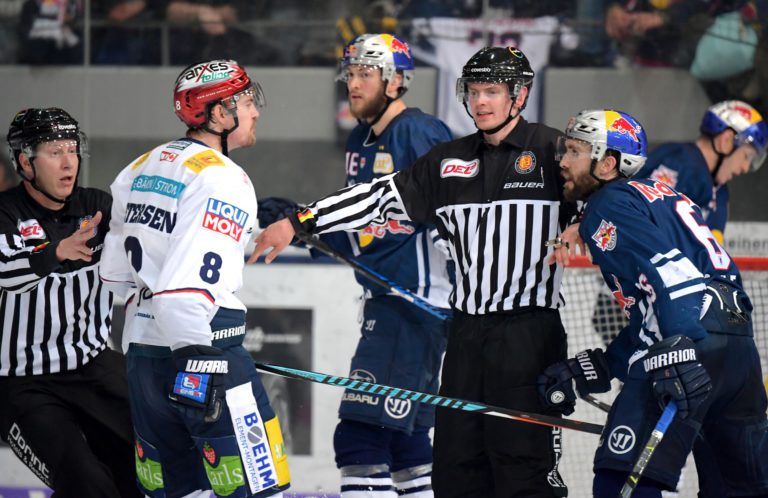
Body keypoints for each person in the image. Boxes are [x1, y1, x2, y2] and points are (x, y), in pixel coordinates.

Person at [251, 46, 575, 498]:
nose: (480, 102)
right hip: (465, 334)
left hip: (527, 334)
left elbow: (612, 188)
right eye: (473, 91)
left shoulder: (553, 149)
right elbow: (377, 197)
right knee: (457, 468)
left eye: (492, 91)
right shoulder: (449, 159)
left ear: (519, 96)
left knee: (523, 470)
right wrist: (301, 220)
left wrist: (583, 223)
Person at [262, 33, 454, 497]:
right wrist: (308, 226)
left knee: (359, 439)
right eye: (350, 73)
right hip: (390, 302)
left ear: (395, 81)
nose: (353, 83)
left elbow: (452, 213)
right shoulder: (359, 140)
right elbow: (364, 225)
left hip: (414, 305)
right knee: (405, 445)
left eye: (366, 73)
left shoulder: (418, 132)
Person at [538, 109, 768, 497]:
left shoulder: (608, 204)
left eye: (575, 151)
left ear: (607, 164)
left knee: (619, 482)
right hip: (738, 351)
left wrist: (680, 346)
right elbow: (664, 303)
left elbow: (672, 277)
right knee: (740, 489)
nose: (563, 160)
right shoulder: (659, 195)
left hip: (689, 339)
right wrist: (603, 366)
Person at [100, 60, 290, 498]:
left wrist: (251, 232)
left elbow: (114, 274)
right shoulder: (224, 178)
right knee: (259, 491)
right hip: (205, 349)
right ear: (219, 114)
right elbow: (183, 290)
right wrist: (198, 358)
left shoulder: (140, 166)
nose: (255, 111)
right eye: (246, 101)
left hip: (143, 358)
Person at [0, 108, 139, 497]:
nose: (68, 162)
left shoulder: (98, 206)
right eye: (54, 151)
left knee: (148, 468)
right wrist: (56, 252)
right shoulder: (5, 212)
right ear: (25, 162)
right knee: (86, 484)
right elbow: (5, 271)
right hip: (24, 382)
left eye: (72, 150)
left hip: (93, 366)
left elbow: (153, 239)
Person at [637, 99, 768, 245]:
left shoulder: (720, 191)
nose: (745, 167)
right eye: (746, 156)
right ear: (726, 140)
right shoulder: (680, 163)